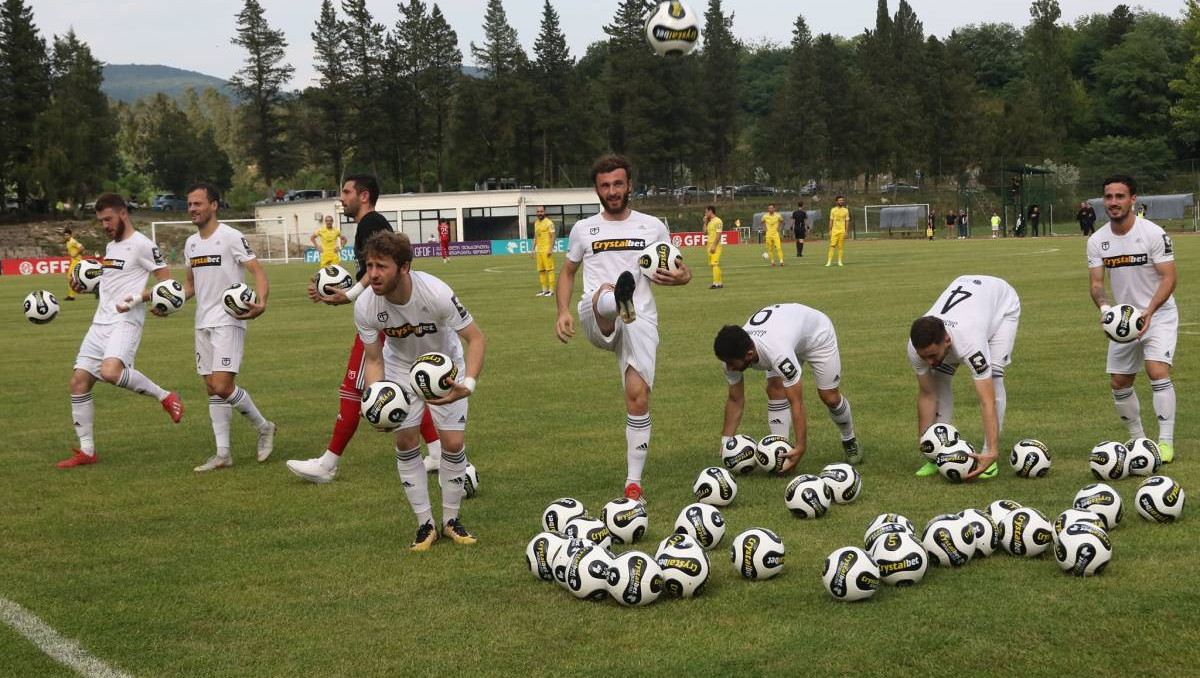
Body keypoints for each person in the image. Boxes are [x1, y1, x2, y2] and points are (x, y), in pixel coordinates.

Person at [287, 175, 445, 483]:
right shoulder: (369, 223)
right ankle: (438, 452)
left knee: (352, 389)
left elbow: (376, 274)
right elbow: (371, 278)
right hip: (384, 317)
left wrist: (347, 295)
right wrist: (341, 295)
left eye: (346, 192)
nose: (341, 198)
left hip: (381, 321)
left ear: (364, 195)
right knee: (408, 387)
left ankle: (328, 464)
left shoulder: (370, 221)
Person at [555, 155, 692, 502]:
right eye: (605, 186)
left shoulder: (652, 226)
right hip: (594, 314)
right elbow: (568, 272)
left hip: (640, 319)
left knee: (638, 397)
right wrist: (562, 312)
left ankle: (634, 485)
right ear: (597, 189)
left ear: (629, 184)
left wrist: (679, 278)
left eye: (618, 184)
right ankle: (616, 298)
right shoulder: (584, 229)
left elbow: (681, 271)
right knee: (604, 292)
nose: (612, 191)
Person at [356, 231, 486, 550]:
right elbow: (373, 359)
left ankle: (452, 520)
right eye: (369, 265)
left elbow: (476, 338)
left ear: (404, 267)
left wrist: (467, 384)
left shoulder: (436, 293)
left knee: (453, 444)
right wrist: (376, 400)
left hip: (443, 367)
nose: (372, 274)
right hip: (400, 366)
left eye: (381, 266)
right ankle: (425, 524)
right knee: (405, 439)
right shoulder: (365, 306)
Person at [58, 194, 184, 467]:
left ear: (123, 213)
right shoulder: (110, 246)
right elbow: (112, 280)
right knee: (78, 383)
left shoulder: (142, 245)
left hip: (126, 321)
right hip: (100, 322)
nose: (105, 224)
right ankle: (87, 451)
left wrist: (140, 298)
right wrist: (86, 286)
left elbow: (167, 282)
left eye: (108, 218)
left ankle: (166, 396)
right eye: (101, 220)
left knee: (111, 372)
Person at [183, 183, 276, 472]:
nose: (192, 209)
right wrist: (168, 302)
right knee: (212, 387)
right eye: (190, 204)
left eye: (198, 203)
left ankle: (264, 427)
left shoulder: (231, 237)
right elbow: (190, 286)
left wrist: (260, 301)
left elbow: (257, 271)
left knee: (223, 385)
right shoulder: (190, 244)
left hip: (229, 319)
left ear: (214, 205)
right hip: (203, 322)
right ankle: (223, 453)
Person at [1088, 174, 1178, 463]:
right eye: (1109, 197)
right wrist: (1105, 311)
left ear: (1133, 199)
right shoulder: (1097, 240)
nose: (1113, 202)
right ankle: (1139, 442)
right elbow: (1097, 284)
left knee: (1156, 371)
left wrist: (1149, 312)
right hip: (1124, 320)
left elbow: (1169, 278)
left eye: (1120, 196)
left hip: (1158, 313)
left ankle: (1165, 443)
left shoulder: (1152, 233)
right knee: (1119, 382)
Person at [713, 303, 862, 471]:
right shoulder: (733, 355)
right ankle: (779, 452)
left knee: (830, 398)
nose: (729, 368)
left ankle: (849, 438)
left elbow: (796, 402)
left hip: (816, 336)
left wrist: (801, 446)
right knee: (775, 388)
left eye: (731, 364)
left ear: (749, 355)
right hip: (786, 334)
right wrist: (726, 442)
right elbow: (735, 399)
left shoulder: (777, 353)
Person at [907, 274, 1021, 480]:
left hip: (1003, 305)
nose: (929, 361)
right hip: (967, 291)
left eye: (933, 355)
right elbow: (927, 393)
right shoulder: (915, 349)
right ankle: (938, 452)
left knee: (994, 377)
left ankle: (988, 455)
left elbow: (987, 401)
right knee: (938, 378)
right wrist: (926, 443)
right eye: (925, 357)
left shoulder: (970, 345)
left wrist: (992, 452)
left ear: (947, 341)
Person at [532, 207, 556, 297]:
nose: (540, 213)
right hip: (539, 251)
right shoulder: (536, 223)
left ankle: (551, 290)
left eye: (541, 211)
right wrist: (533, 249)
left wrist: (550, 249)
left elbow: (553, 236)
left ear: (544, 212)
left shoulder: (549, 223)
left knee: (549, 270)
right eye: (538, 212)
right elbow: (536, 237)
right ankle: (544, 290)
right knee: (541, 271)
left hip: (546, 250)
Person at [826, 196, 850, 266]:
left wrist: (846, 231)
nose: (841, 201)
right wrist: (830, 230)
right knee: (832, 245)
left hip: (842, 231)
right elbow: (831, 220)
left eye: (842, 200)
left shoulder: (846, 210)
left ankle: (840, 261)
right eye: (840, 200)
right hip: (834, 231)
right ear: (836, 201)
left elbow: (847, 221)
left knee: (840, 247)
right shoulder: (833, 210)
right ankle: (829, 261)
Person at [704, 205, 724, 289]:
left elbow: (719, 234)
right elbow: (705, 233)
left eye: (706, 211)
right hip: (709, 245)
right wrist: (705, 222)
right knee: (712, 265)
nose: (705, 213)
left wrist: (714, 246)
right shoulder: (709, 221)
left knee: (714, 263)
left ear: (710, 211)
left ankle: (716, 283)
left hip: (715, 246)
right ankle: (719, 283)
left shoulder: (718, 221)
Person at [64, 228, 85, 301]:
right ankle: (72, 294)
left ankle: (71, 296)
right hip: (73, 261)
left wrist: (75, 254)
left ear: (70, 235)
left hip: (77, 260)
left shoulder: (73, 241)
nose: (66, 236)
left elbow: (81, 248)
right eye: (65, 235)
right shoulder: (68, 242)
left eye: (67, 235)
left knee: (70, 277)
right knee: (72, 277)